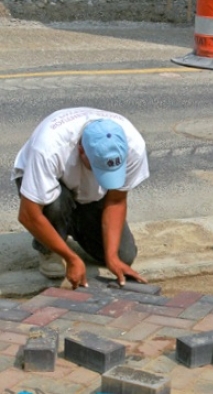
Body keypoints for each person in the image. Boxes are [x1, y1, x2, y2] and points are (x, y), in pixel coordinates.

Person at [11, 107, 150, 289]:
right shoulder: (49, 148)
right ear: (81, 150)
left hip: (89, 196)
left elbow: (116, 200)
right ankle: (49, 248)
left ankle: (73, 226)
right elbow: (28, 215)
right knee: (56, 205)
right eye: (98, 168)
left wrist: (112, 257)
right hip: (52, 190)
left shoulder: (133, 146)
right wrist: (71, 258)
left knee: (125, 256)